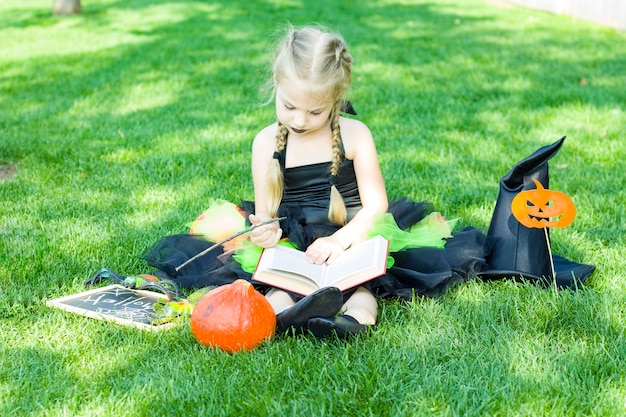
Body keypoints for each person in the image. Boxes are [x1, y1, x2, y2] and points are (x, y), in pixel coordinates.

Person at [141, 25, 595, 340]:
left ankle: (350, 326)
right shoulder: (266, 143)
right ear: (275, 88)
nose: (300, 120)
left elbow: (375, 205)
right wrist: (264, 229)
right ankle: (290, 317)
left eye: (314, 111)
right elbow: (267, 212)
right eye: (290, 106)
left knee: (360, 286)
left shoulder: (355, 135)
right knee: (277, 285)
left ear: (335, 98)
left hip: (354, 231)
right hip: (295, 240)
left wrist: (341, 242)